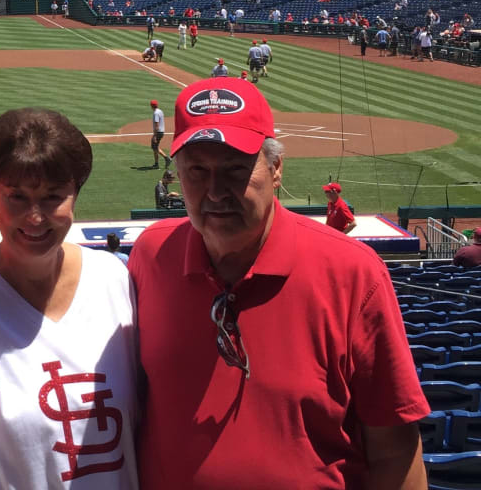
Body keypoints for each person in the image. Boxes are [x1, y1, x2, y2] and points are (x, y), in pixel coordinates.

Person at [128, 77, 429, 489]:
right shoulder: (150, 256)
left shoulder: (353, 272)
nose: (215, 191)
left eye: (236, 168)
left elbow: (395, 450)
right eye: (197, 169)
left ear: (275, 168)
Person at [0, 108, 139, 490]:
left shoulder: (114, 278)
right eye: (16, 196)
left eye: (53, 197)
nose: (35, 217)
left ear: (75, 196)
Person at [150, 99, 170, 169]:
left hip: (158, 132)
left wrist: (155, 136)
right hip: (161, 131)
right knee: (155, 147)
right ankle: (156, 164)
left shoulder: (156, 113)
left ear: (151, 106)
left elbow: (157, 125)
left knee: (154, 147)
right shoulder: (160, 111)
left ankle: (166, 158)